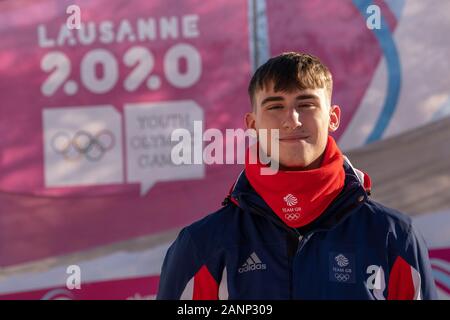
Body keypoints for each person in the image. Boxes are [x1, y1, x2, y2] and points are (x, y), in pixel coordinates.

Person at [156, 52, 438, 300]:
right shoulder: (203, 245)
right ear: (252, 124)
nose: (292, 120)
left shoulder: (394, 237)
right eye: (275, 106)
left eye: (307, 104)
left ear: (333, 117)